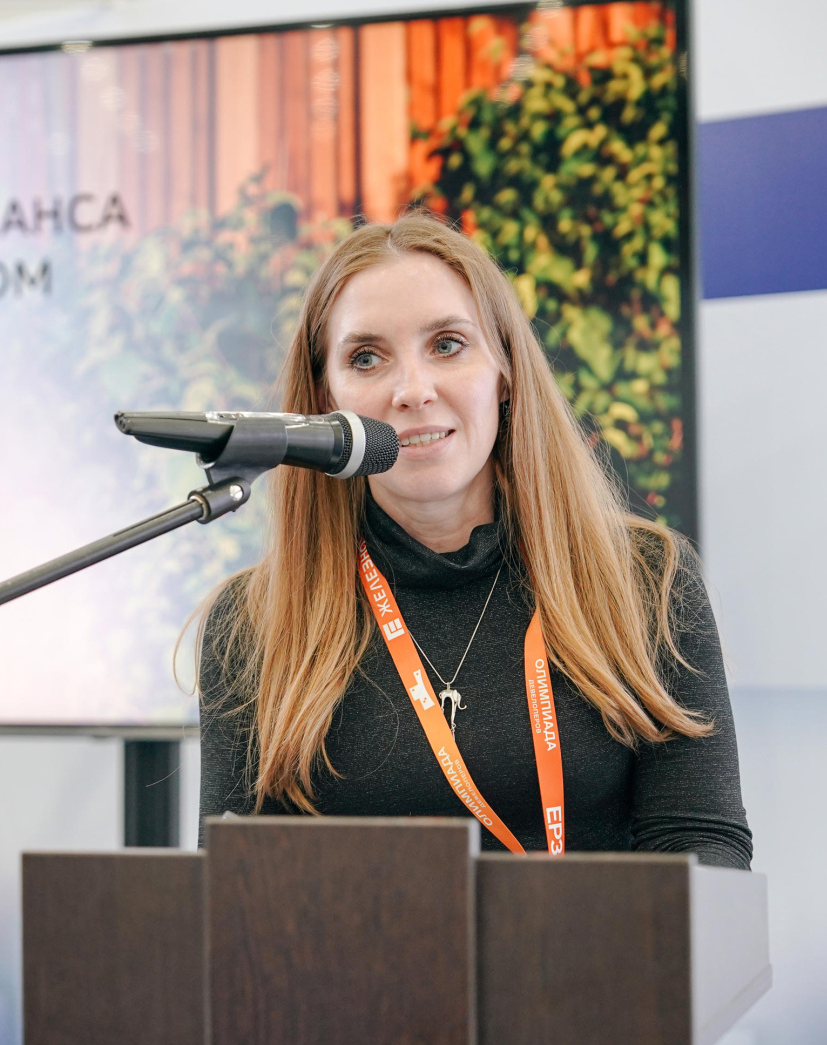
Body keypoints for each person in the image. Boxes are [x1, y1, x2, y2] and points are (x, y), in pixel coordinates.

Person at [196, 211, 750, 869]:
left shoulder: (646, 579)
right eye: (366, 358)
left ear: (505, 371)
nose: (413, 391)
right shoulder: (254, 622)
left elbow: (704, 851)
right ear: (324, 400)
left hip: (597, 941)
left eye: (448, 345)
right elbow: (237, 891)